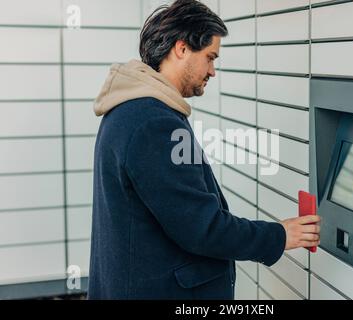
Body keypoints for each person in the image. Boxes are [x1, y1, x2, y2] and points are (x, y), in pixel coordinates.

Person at [88, 0, 320, 300]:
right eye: (210, 57)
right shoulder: (153, 123)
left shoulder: (128, 108)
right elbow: (202, 228)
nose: (212, 71)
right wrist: (279, 236)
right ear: (181, 49)